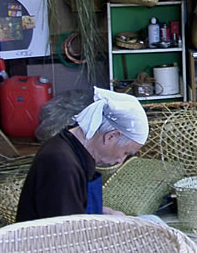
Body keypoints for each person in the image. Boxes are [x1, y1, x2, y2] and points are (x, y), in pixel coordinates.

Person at [15, 87, 149, 222]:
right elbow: (65, 233)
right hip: (48, 241)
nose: (121, 160)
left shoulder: (73, 150)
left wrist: (103, 212)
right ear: (110, 136)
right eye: (125, 152)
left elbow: (73, 206)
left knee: (150, 220)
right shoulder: (61, 164)